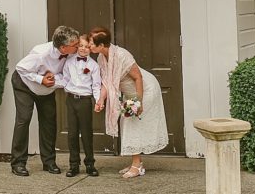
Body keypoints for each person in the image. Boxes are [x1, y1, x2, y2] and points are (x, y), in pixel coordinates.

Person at [89, 26, 168, 179]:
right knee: (128, 124)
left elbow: (138, 77)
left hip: (145, 90)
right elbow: (107, 82)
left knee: (133, 124)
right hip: (129, 93)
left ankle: (137, 166)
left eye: (92, 43)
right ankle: (136, 162)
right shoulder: (101, 57)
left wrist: (138, 102)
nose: (89, 45)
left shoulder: (122, 55)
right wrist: (100, 100)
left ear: (101, 45)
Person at [10, 25, 80, 177]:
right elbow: (21, 68)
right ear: (63, 47)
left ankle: (49, 162)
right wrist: (41, 79)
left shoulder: (72, 55)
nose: (78, 47)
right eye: (75, 45)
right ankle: (18, 163)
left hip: (47, 89)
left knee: (49, 122)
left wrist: (54, 80)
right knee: (24, 119)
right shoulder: (40, 53)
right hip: (24, 85)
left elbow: (67, 77)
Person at [54, 35, 102, 177]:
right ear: (77, 46)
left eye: (87, 47)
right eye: (81, 46)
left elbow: (96, 85)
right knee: (72, 133)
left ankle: (90, 164)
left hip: (85, 101)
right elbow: (65, 79)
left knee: (86, 133)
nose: (83, 49)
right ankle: (73, 165)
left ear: (90, 49)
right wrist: (53, 81)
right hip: (71, 100)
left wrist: (98, 101)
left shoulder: (93, 65)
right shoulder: (69, 62)